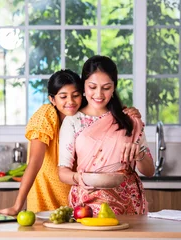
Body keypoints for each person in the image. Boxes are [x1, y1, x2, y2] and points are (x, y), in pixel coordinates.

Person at [0, 69, 141, 216]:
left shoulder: (87, 117)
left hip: (77, 200)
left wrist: (128, 113)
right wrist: (17, 206)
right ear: (52, 99)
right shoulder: (46, 115)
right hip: (45, 197)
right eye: (63, 96)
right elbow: (34, 162)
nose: (70, 102)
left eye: (76, 95)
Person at [58, 55, 155, 216]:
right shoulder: (73, 121)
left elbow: (149, 171)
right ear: (83, 86)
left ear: (114, 87)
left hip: (128, 203)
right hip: (87, 204)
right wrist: (81, 179)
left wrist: (139, 154)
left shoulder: (129, 120)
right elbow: (63, 172)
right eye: (92, 87)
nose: (99, 94)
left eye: (106, 87)